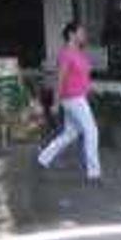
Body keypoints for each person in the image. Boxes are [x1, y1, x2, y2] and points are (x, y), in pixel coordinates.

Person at [38, 19, 100, 182]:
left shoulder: (79, 53)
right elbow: (59, 80)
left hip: (78, 97)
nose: (84, 35)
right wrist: (55, 102)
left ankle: (43, 158)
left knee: (70, 133)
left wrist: (88, 89)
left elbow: (82, 75)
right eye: (81, 32)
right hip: (73, 98)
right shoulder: (66, 54)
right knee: (92, 130)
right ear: (72, 34)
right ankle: (94, 173)